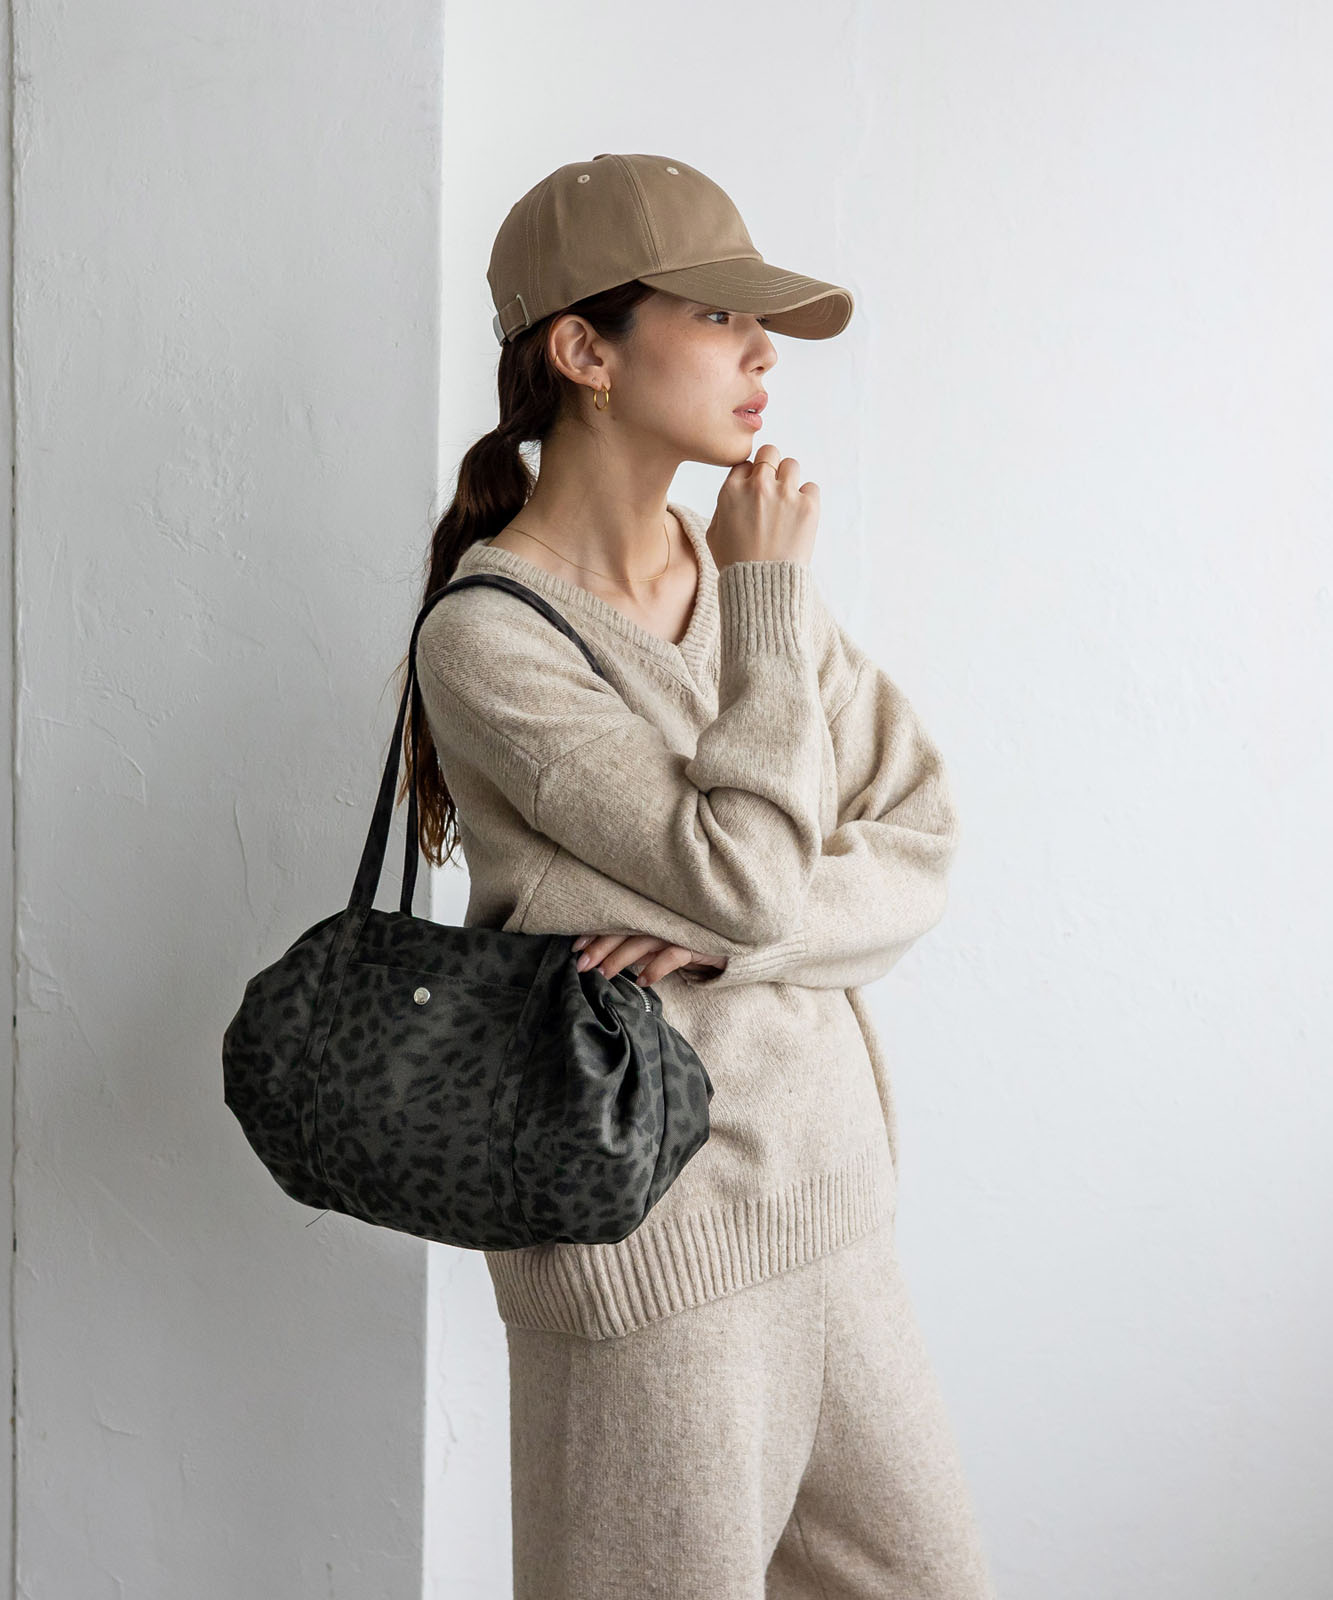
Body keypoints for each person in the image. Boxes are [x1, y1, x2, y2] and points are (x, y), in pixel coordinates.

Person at [407, 153, 997, 1599]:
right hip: (652, 1252)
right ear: (585, 351)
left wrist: (739, 943)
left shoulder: (730, 576)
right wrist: (768, 604)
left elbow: (916, 837)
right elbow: (748, 874)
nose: (762, 354)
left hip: (830, 1210)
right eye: (718, 316)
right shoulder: (493, 640)